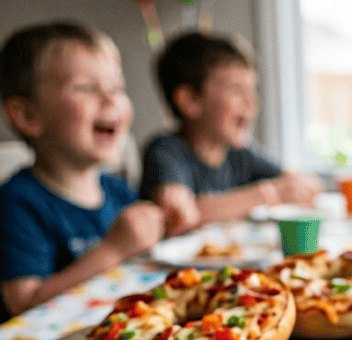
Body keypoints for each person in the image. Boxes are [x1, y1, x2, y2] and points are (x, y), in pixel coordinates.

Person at [0, 22, 164, 321]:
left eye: (117, 88)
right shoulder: (17, 203)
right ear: (27, 115)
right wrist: (113, 251)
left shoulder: (117, 190)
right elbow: (22, 304)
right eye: (86, 87)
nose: (110, 99)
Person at [139, 31, 320, 234]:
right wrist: (267, 193)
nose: (252, 102)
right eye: (236, 90)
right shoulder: (165, 151)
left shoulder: (240, 155)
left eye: (252, 90)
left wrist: (295, 187)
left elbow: (301, 182)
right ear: (190, 101)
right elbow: (184, 214)